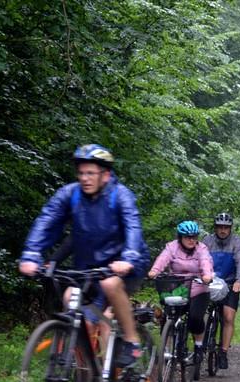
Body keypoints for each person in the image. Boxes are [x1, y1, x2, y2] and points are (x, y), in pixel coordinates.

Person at [19, 144, 150, 367]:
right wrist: (31, 254)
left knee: (110, 284)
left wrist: (128, 259)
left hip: (125, 264)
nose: (84, 178)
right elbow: (47, 220)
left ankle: (131, 340)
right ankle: (86, 374)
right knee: (72, 301)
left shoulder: (120, 196)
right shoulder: (70, 194)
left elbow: (133, 228)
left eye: (90, 173)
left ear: (105, 175)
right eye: (81, 173)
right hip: (88, 268)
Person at [147, 221, 214, 368]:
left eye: (194, 237)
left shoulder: (201, 249)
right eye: (187, 237)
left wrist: (207, 275)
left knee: (195, 319)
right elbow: (163, 259)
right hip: (178, 288)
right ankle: (167, 349)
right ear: (180, 237)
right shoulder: (172, 247)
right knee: (168, 316)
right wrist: (154, 271)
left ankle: (198, 346)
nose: (191, 240)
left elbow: (205, 262)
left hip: (198, 288)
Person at [202, 212, 240, 369]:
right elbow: (200, 259)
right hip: (210, 281)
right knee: (200, 314)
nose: (223, 230)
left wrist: (239, 281)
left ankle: (223, 352)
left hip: (230, 283)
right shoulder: (207, 241)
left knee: (228, 317)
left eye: (226, 227)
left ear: (230, 228)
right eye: (220, 227)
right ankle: (199, 346)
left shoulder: (237, 242)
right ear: (215, 228)